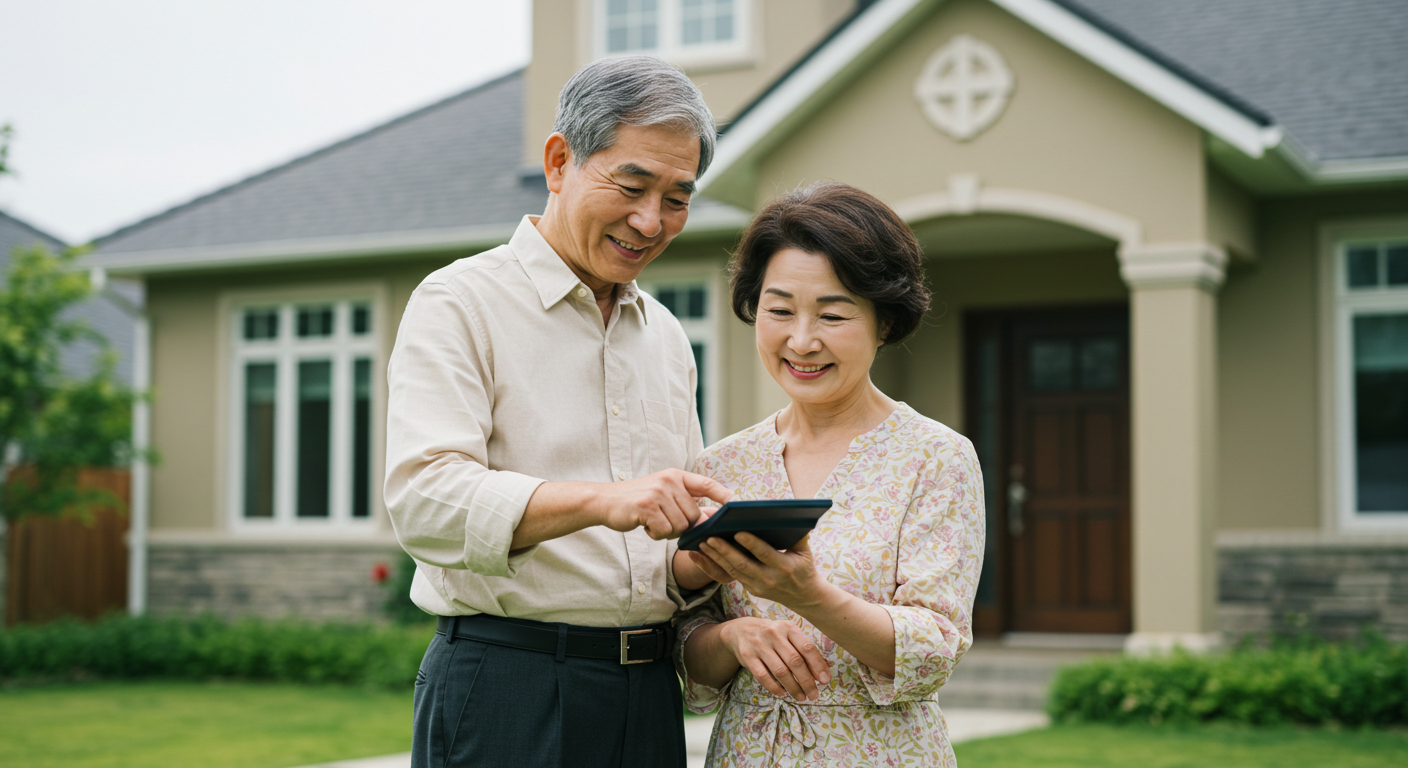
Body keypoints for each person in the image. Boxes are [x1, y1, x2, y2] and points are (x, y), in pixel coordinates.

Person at [385, 56, 739, 768]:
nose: (651, 220)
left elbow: (658, 557)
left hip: (646, 695)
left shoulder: (668, 337)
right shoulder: (458, 303)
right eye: (632, 185)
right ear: (558, 161)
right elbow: (425, 501)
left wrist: (709, 558)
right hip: (508, 689)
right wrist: (605, 503)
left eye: (677, 197)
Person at [676, 182, 986, 767]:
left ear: (885, 323)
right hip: (748, 751)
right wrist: (733, 639)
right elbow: (687, 645)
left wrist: (809, 597)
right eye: (780, 310)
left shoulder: (935, 458)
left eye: (833, 314)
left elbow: (935, 647)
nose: (801, 341)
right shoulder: (721, 465)